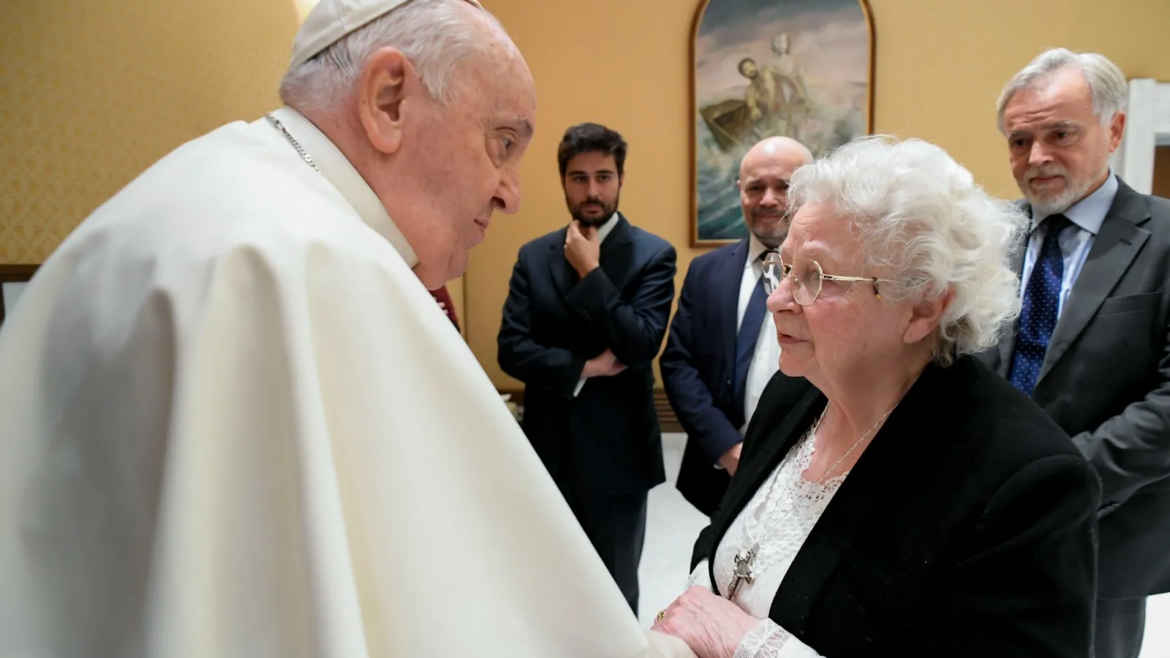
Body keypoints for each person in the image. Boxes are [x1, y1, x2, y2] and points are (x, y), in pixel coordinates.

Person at [0, 1, 683, 656]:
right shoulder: (303, 262)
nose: (511, 192)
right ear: (389, 99)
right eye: (500, 143)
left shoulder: (204, 188)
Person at [652, 136, 1100, 657]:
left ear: (923, 307)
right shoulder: (795, 390)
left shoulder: (1027, 487)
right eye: (785, 266)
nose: (777, 299)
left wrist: (749, 646)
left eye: (815, 277)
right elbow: (728, 539)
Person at [979, 48, 1170, 658]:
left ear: (1113, 129)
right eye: (1019, 141)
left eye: (1060, 133)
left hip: (1103, 533)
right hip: (978, 524)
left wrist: (1059, 482)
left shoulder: (1165, 239)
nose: (1036, 158)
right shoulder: (985, 239)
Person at [497, 122, 677, 615]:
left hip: (619, 458)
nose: (592, 190)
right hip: (548, 452)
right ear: (563, 182)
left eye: (604, 176)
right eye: (579, 178)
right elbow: (511, 349)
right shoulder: (534, 257)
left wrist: (592, 273)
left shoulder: (653, 254)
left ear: (620, 179)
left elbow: (641, 345)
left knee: (615, 596)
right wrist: (586, 367)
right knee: (549, 586)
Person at [662, 136, 813, 517]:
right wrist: (728, 449)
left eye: (784, 186)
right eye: (755, 187)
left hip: (807, 477)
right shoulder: (706, 271)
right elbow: (679, 364)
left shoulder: (836, 277)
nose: (767, 199)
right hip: (720, 474)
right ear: (739, 192)